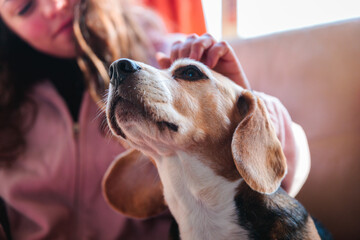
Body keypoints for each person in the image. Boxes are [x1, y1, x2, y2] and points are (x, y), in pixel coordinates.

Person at [0, 0, 309, 239]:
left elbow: (283, 174)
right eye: (25, 7)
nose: (55, 7)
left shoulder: (169, 56)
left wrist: (238, 97)